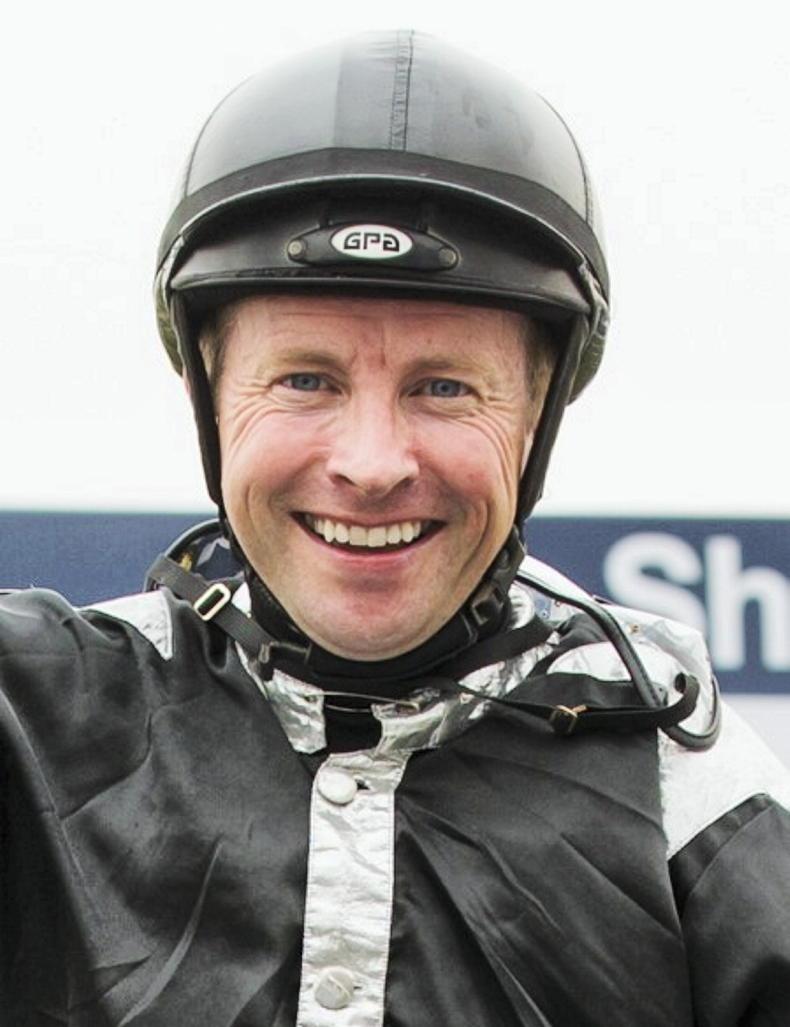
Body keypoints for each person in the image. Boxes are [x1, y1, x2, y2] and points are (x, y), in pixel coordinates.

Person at [2, 30, 789, 1027]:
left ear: (535, 416)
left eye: (444, 387)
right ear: (211, 397)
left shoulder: (687, 779)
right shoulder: (35, 711)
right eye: (305, 379)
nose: (372, 463)